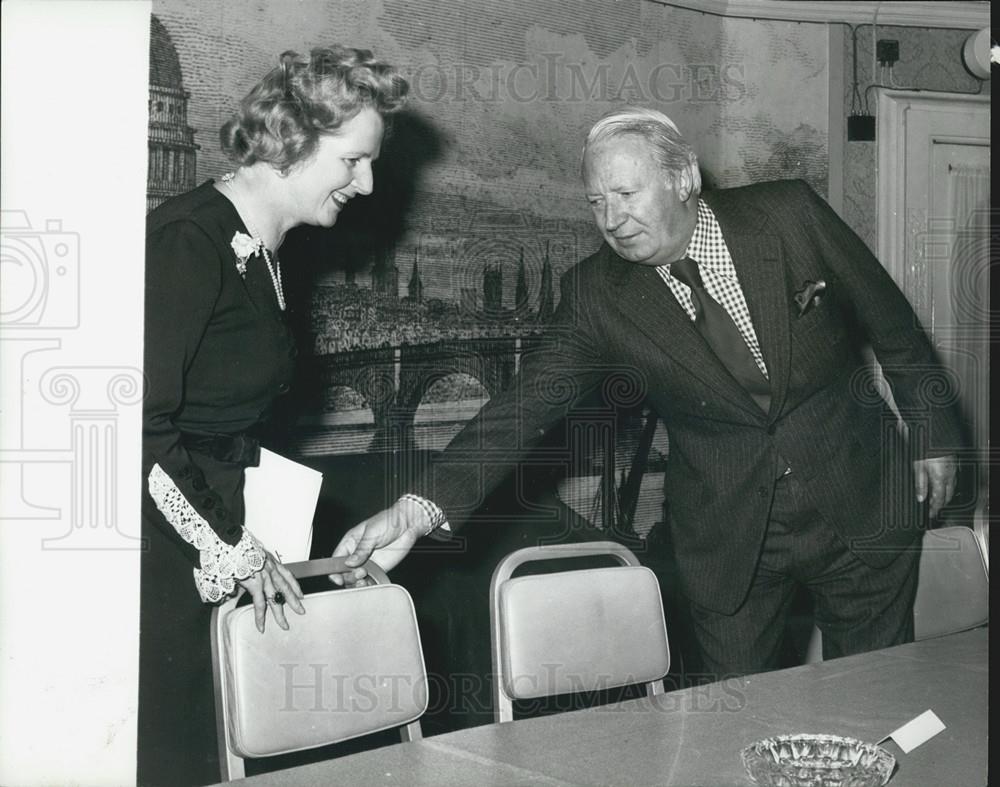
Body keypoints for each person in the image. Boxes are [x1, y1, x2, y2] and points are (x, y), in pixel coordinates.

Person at [332, 106, 962, 680]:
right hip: (728, 541)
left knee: (875, 700)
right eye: (596, 202)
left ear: (683, 178)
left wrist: (935, 440)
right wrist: (420, 507)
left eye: (627, 194)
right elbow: (523, 407)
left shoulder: (790, 215)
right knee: (736, 728)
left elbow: (895, 327)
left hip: (861, 504)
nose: (612, 220)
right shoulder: (597, 296)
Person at [140, 46, 407, 787]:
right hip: (167, 564)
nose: (370, 182)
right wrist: (231, 546)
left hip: (223, 547)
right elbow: (137, 430)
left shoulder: (266, 250)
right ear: (295, 135)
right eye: (355, 161)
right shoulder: (189, 241)